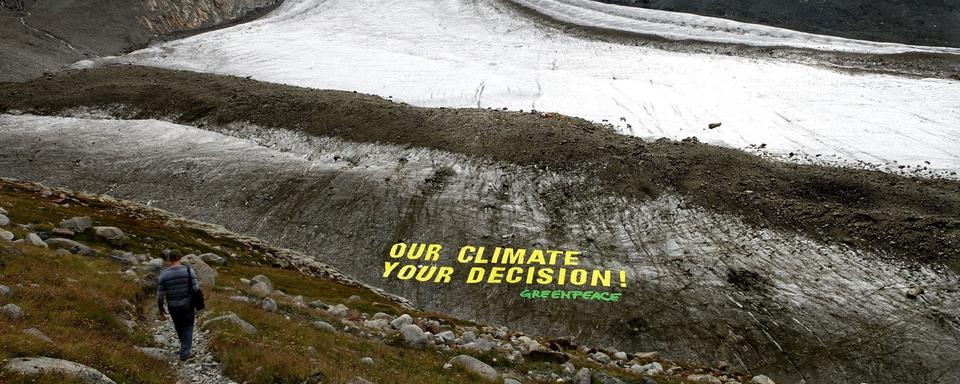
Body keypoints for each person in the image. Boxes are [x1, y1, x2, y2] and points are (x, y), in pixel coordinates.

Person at [157, 250, 201, 361]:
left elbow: (160, 295)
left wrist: (161, 309)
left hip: (173, 306)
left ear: (169, 260)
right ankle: (185, 352)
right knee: (188, 326)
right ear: (180, 258)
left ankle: (184, 347)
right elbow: (196, 288)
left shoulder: (164, 275)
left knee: (179, 326)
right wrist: (198, 303)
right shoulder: (188, 270)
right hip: (187, 304)